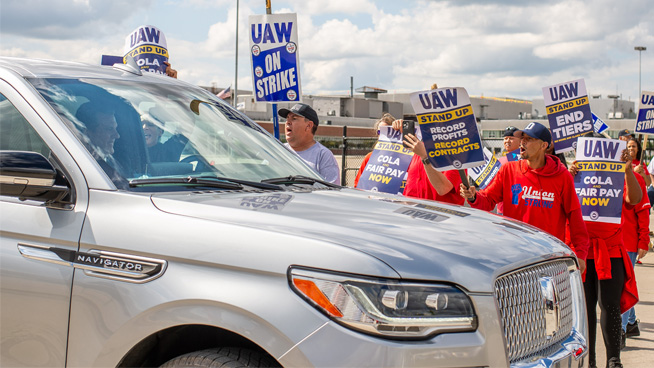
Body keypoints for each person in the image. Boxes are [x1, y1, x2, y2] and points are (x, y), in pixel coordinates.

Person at [459, 122, 589, 271]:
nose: (523, 142)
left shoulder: (562, 176)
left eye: (529, 139)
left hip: (549, 257)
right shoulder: (508, 170)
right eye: (522, 138)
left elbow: (575, 216)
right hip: (514, 255)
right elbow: (487, 201)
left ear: (543, 145)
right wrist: (473, 197)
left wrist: (580, 253)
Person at [567, 136, 641, 368]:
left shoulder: (622, 173)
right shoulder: (573, 174)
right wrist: (570, 175)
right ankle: (590, 362)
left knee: (610, 306)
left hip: (611, 252)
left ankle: (613, 360)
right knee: (585, 309)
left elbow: (635, 199)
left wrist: (628, 171)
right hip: (581, 252)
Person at [619, 164, 649, 346]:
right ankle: (630, 323)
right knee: (620, 287)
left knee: (623, 287)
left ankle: (620, 331)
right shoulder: (598, 179)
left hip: (627, 243)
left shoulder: (636, 180)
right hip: (603, 242)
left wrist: (643, 240)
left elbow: (643, 211)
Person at [280, 103, 340, 184]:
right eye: (287, 118)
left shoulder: (323, 155)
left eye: (294, 118)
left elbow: (331, 192)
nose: (288, 122)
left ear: (308, 125)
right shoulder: (279, 150)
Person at [75, 101, 127, 188]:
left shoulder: (113, 161)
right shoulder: (80, 167)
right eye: (109, 129)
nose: (117, 135)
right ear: (87, 133)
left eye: (115, 128)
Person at [354, 113, 395, 187]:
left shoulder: (406, 159)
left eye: (387, 131)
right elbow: (358, 185)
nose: (383, 135)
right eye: (380, 132)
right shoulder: (370, 157)